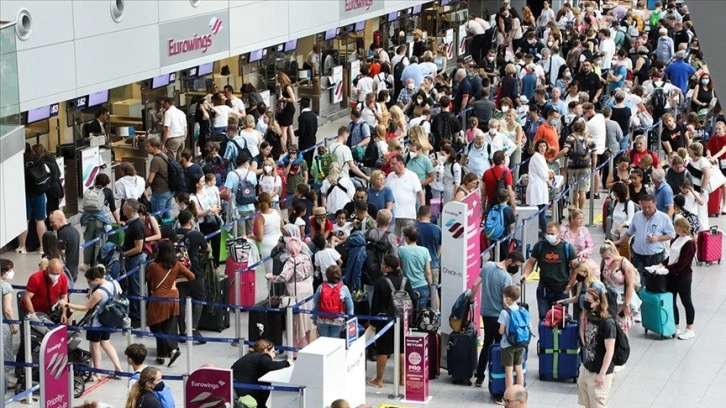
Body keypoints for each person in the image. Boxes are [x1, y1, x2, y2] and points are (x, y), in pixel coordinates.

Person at [469, 251, 524, 387]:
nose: (516, 268)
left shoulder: (487, 265)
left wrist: (471, 300)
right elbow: (506, 301)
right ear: (510, 261)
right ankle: (497, 377)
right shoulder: (506, 277)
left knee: (487, 344)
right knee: (500, 347)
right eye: (516, 265)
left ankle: (480, 376)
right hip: (500, 316)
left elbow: (475, 285)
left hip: (486, 314)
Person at [60, 266, 124, 379]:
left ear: (96, 279)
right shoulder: (112, 282)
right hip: (108, 320)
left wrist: (68, 304)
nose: (89, 284)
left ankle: (97, 373)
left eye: (89, 281)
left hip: (96, 323)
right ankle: (118, 368)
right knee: (106, 343)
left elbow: (85, 307)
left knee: (95, 346)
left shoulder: (98, 293)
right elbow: (120, 292)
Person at [368, 255, 416, 389]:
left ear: (388, 267)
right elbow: (413, 299)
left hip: (385, 321)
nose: (381, 265)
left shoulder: (381, 282)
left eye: (383, 264)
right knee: (401, 349)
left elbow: (375, 304)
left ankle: (379, 379)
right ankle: (402, 379)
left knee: (382, 350)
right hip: (402, 319)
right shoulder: (405, 281)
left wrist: (373, 322)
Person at [16, 259, 69, 375]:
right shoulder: (36, 278)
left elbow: (63, 297)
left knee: (47, 337)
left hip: (47, 311)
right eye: (53, 273)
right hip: (30, 310)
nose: (55, 276)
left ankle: (44, 366)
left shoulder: (63, 278)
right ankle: (19, 368)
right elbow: (26, 298)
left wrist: (64, 313)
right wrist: (33, 316)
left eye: (57, 273)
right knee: (28, 339)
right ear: (47, 269)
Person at [147, 241, 194, 366]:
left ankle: (171, 350)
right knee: (168, 327)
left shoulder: (153, 266)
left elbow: (150, 281)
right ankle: (162, 354)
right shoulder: (176, 264)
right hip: (173, 298)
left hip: (158, 299)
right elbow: (191, 276)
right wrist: (176, 282)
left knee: (155, 327)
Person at [521, 222, 577, 320]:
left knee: (561, 319)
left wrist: (568, 287)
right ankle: (545, 335)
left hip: (561, 289)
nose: (549, 236)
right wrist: (525, 274)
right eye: (548, 233)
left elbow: (576, 269)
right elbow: (531, 262)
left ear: (559, 234)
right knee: (543, 318)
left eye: (552, 234)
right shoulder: (540, 246)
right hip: (544, 289)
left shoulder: (567, 248)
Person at [614, 194, 675, 285]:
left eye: (649, 207)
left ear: (655, 204)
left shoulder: (663, 217)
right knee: (638, 281)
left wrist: (658, 238)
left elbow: (671, 234)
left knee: (653, 282)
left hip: (655, 256)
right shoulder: (637, 216)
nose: (646, 209)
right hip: (638, 255)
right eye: (644, 207)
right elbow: (629, 232)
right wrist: (619, 242)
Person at [577, 288, 617, 408]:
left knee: (597, 403)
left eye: (589, 300)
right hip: (588, 367)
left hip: (599, 372)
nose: (586, 302)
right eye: (585, 300)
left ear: (598, 302)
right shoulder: (591, 316)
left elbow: (610, 351)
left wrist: (602, 373)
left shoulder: (608, 323)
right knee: (587, 403)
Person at [174, 210, 208, 340]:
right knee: (199, 298)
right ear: (190, 221)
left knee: (181, 300)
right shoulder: (196, 234)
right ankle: (193, 328)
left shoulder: (174, 234)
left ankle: (182, 330)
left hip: (179, 272)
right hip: (194, 271)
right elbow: (206, 249)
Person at [663, 217, 697, 340]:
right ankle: (676, 325)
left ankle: (690, 328)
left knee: (686, 301)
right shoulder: (676, 239)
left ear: (680, 228)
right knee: (672, 301)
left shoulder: (689, 243)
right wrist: (663, 263)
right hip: (672, 275)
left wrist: (667, 268)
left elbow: (683, 263)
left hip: (683, 276)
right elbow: (671, 256)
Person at [231, 339, 291, 408]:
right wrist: (287, 362)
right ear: (265, 350)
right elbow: (271, 365)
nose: (274, 355)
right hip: (244, 392)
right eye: (273, 352)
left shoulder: (251, 356)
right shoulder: (262, 357)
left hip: (236, 388)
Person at [599, 241, 640, 334]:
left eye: (607, 258)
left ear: (613, 253)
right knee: (609, 326)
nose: (605, 260)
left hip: (622, 298)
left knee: (622, 327)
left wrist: (627, 304)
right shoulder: (605, 262)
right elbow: (602, 278)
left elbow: (630, 285)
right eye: (603, 258)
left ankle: (623, 347)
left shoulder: (625, 264)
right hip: (609, 297)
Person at [18, 143, 49, 254]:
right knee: (40, 220)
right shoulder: (37, 158)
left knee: (24, 221)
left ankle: (22, 247)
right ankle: (42, 247)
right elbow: (47, 172)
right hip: (38, 192)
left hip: (24, 193)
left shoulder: (18, 160)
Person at [498, 285, 527, 397]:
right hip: (521, 343)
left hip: (507, 345)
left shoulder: (504, 313)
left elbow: (501, 331)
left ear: (508, 299)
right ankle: (520, 394)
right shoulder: (523, 310)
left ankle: (509, 395)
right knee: (519, 368)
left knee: (509, 370)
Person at [121, 199, 146, 326]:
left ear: (131, 210)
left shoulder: (136, 225)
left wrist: (123, 254)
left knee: (136, 288)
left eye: (125, 208)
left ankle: (138, 317)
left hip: (135, 261)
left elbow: (138, 247)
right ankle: (135, 313)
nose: (123, 210)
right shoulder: (132, 223)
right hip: (132, 260)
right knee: (132, 287)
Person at [386, 154, 424, 236]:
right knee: (393, 239)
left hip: (408, 215)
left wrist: (422, 209)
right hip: (393, 215)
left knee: (408, 239)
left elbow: (420, 193)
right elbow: (386, 193)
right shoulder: (390, 176)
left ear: (401, 163)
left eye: (393, 164)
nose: (391, 166)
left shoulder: (412, 176)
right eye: (391, 164)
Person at [312, 265, 354, 337]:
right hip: (338, 320)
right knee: (334, 342)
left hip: (322, 319)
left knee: (324, 342)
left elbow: (315, 303)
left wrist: (314, 317)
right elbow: (350, 306)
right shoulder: (343, 288)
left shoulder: (321, 287)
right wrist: (350, 321)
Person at [398, 226, 433, 310]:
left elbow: (399, 267)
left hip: (407, 286)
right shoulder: (425, 250)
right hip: (422, 285)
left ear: (406, 238)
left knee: (407, 313)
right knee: (421, 313)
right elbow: (428, 272)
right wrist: (431, 287)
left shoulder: (401, 250)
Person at [222, 154, 258, 237]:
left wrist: (218, 195)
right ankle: (251, 249)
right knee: (250, 233)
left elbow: (227, 193)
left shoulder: (232, 174)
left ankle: (243, 250)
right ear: (246, 162)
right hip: (251, 207)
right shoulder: (252, 174)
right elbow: (254, 187)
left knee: (241, 235)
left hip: (238, 209)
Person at [560, 208, 599, 278]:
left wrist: (584, 252)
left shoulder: (584, 230)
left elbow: (590, 246)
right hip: (566, 260)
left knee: (595, 271)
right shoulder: (563, 231)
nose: (582, 221)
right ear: (572, 219)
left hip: (582, 258)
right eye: (579, 219)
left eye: (582, 218)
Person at [250, 192, 283, 274]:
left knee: (270, 272)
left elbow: (260, 238)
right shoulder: (276, 212)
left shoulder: (260, 217)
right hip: (280, 242)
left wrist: (251, 236)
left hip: (267, 245)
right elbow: (282, 226)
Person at [686, 142, 713, 231]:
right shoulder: (691, 161)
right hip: (692, 191)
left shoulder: (703, 161)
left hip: (700, 191)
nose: (688, 151)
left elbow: (707, 175)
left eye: (690, 150)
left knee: (702, 214)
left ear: (695, 151)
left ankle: (704, 233)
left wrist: (702, 188)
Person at [145, 137, 173, 219]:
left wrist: (145, 187)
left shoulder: (156, 160)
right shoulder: (164, 155)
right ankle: (169, 230)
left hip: (159, 193)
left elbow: (150, 179)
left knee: (156, 218)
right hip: (168, 191)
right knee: (167, 216)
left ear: (154, 147)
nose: (146, 148)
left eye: (148, 146)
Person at [1, 259, 18, 383]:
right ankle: (4, 383)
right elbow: (7, 309)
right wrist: (14, 324)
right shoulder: (6, 287)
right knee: (5, 353)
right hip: (3, 326)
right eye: (10, 270)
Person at [276, 72, 297, 150]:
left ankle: (283, 147)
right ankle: (293, 144)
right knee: (290, 127)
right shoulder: (285, 87)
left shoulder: (288, 87)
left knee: (283, 129)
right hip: (289, 108)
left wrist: (284, 99)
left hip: (288, 109)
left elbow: (293, 99)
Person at [298, 97, 318, 166]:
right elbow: (316, 128)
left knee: (304, 162)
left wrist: (296, 133)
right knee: (310, 160)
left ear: (301, 105)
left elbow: (302, 131)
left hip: (304, 143)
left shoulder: (302, 116)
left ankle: (306, 175)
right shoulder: (313, 115)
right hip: (312, 141)